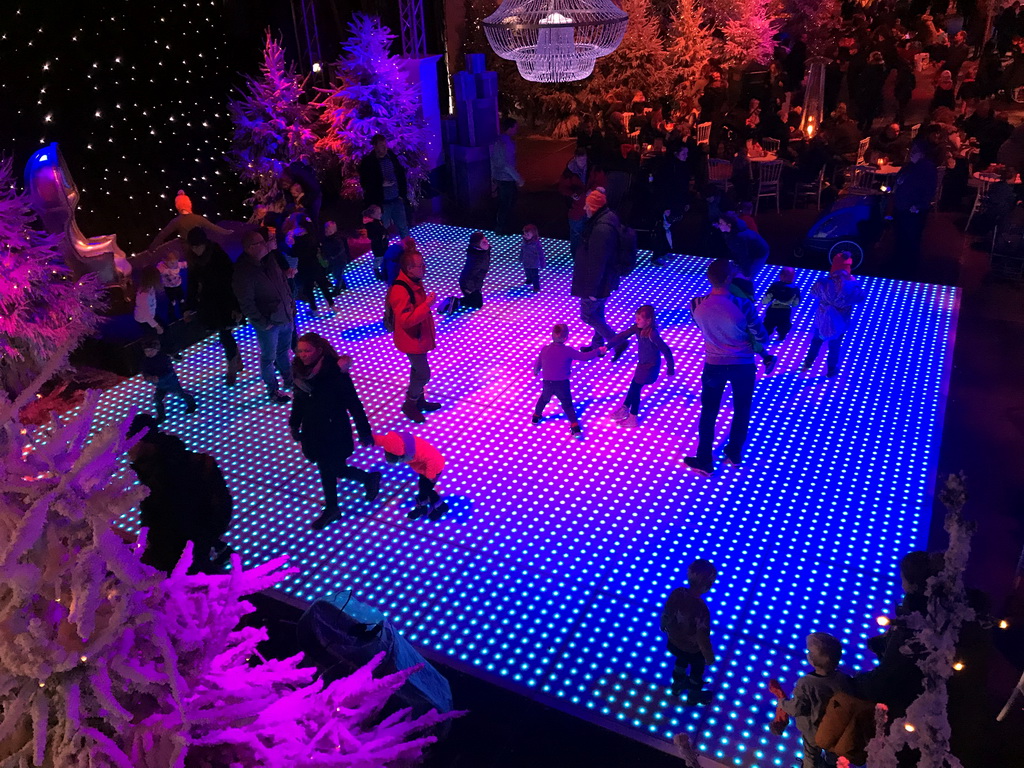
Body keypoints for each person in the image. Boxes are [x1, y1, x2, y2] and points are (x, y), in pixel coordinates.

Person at [289, 334, 382, 530]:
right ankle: (367, 479)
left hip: (334, 430)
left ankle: (333, 507)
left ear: (319, 351)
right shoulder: (299, 372)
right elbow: (299, 401)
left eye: (307, 351)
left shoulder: (335, 372)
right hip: (313, 429)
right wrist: (294, 424)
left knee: (328, 468)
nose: (303, 355)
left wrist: (364, 430)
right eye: (300, 351)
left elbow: (353, 403)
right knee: (332, 468)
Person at [685, 258, 768, 476]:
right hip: (743, 365)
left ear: (709, 278)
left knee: (709, 411)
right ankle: (734, 453)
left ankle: (704, 459)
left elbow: (700, 326)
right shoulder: (743, 305)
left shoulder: (696, 304)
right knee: (742, 410)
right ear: (730, 278)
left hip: (714, 364)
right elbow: (762, 336)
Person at [127, 414, 233, 574]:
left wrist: (203, 538)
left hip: (182, 554)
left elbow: (220, 507)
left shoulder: (164, 471)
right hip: (181, 546)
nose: (126, 449)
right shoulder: (150, 468)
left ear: (141, 441)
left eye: (129, 442)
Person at [768, 633, 853, 768]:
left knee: (811, 754)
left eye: (809, 651)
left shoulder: (806, 683)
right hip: (835, 729)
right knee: (833, 754)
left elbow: (796, 708)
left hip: (812, 730)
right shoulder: (843, 679)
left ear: (812, 659)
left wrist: (782, 702)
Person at [232, 229, 295, 404]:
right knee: (269, 358)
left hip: (285, 316)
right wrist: (262, 322)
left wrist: (291, 305)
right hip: (270, 323)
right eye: (261, 242)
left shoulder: (269, 260)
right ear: (251, 247)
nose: (266, 244)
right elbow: (246, 302)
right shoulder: (244, 272)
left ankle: (290, 381)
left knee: (284, 351)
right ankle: (273, 390)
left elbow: (282, 281)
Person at [571, 189, 627, 359]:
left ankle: (618, 342)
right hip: (605, 280)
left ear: (593, 208)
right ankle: (598, 346)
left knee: (587, 315)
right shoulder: (608, 219)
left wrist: (592, 290)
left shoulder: (601, 229)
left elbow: (598, 262)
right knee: (598, 314)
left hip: (597, 283)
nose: (585, 209)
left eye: (587, 206)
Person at [387, 250, 441, 423]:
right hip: (411, 339)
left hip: (418, 337)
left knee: (417, 370)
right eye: (421, 265)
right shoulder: (401, 289)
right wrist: (427, 305)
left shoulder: (413, 282)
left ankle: (419, 401)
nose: (424, 268)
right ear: (409, 268)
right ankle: (410, 404)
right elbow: (406, 320)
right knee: (424, 373)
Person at [184, 227, 242, 386]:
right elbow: (193, 283)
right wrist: (189, 306)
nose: (195, 249)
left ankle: (232, 366)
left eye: (197, 245)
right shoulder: (195, 260)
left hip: (225, 300)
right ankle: (236, 359)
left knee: (225, 334)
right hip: (210, 302)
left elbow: (231, 281)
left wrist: (236, 306)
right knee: (224, 333)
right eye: (193, 246)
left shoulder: (218, 255)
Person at [660, 559, 718, 705]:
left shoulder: (678, 593)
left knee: (681, 660)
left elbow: (667, 612)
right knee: (697, 670)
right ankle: (693, 694)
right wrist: (709, 656)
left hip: (674, 641)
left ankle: (677, 685)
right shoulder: (701, 610)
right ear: (708, 585)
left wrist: (663, 625)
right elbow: (702, 637)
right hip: (693, 649)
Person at [607, 305, 675, 428]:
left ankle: (633, 417)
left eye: (639, 319)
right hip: (642, 364)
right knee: (634, 386)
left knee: (636, 388)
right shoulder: (638, 329)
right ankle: (625, 408)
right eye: (636, 318)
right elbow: (622, 335)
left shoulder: (652, 334)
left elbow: (666, 350)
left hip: (650, 366)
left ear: (648, 321)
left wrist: (670, 369)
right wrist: (607, 346)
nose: (636, 321)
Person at [532, 322, 605, 437]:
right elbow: (584, 357)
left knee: (544, 398)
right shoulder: (568, 351)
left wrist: (536, 371)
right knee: (567, 404)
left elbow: (539, 362)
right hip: (562, 383)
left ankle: (536, 416)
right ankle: (574, 425)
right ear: (566, 337)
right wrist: (597, 351)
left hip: (548, 382)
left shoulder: (545, 349)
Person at [802, 253, 866, 379]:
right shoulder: (850, 287)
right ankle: (831, 370)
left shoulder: (823, 283)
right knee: (834, 346)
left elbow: (813, 292)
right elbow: (861, 297)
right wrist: (854, 282)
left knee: (816, 341)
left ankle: (808, 363)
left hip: (822, 320)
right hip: (839, 323)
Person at [373, 430, 447, 520]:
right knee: (423, 487)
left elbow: (433, 460)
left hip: (435, 468)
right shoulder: (392, 443)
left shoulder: (418, 452)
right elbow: (380, 440)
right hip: (423, 468)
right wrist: (368, 439)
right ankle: (423, 505)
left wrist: (430, 476)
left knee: (426, 488)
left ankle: (440, 506)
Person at [891, 142, 937, 278]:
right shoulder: (910, 166)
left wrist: (918, 205)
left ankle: (908, 268)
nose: (911, 153)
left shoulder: (927, 168)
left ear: (922, 153)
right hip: (902, 207)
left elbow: (929, 189)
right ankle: (899, 264)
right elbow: (900, 179)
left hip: (912, 210)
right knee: (900, 236)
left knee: (911, 238)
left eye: (914, 151)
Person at [558, 147, 606, 258]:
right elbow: (562, 187)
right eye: (580, 160)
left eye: (584, 160)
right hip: (577, 208)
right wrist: (572, 194)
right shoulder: (569, 172)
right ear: (575, 159)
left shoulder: (594, 169)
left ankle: (590, 256)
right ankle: (577, 257)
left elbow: (601, 182)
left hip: (592, 207)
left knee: (592, 232)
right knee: (576, 234)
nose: (582, 163)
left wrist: (592, 190)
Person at [359, 135, 410, 237]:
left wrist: (402, 194)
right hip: (382, 203)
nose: (384, 147)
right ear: (375, 146)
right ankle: (383, 251)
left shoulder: (391, 156)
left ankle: (408, 250)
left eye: (385, 144)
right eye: (381, 145)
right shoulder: (368, 162)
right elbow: (365, 182)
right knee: (382, 230)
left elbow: (400, 174)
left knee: (403, 227)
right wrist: (380, 184)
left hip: (396, 199)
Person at [148, 189, 231, 251]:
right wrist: (227, 232)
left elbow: (162, 234)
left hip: (189, 249)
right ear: (189, 204)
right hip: (199, 247)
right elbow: (213, 227)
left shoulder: (177, 221)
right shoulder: (198, 218)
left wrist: (152, 248)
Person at [286, 213, 335, 318]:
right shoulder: (312, 233)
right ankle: (332, 305)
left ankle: (314, 309)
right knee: (323, 285)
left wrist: (290, 244)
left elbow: (294, 253)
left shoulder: (296, 237)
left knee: (309, 288)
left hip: (304, 266)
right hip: (315, 264)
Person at [140, 338, 197, 422]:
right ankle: (161, 416)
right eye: (147, 351)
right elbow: (145, 372)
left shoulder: (164, 358)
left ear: (156, 349)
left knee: (181, 394)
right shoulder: (145, 361)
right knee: (157, 400)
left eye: (151, 350)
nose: (149, 353)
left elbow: (169, 372)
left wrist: (158, 378)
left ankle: (192, 404)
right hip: (160, 385)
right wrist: (148, 377)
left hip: (171, 383)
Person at [490, 117, 525, 234]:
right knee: (507, 205)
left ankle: (503, 229)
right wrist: (518, 178)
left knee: (504, 205)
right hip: (506, 179)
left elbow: (495, 162)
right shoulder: (506, 143)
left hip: (502, 178)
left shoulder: (499, 141)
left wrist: (493, 178)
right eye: (515, 127)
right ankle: (503, 230)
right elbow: (505, 164)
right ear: (510, 128)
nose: (517, 129)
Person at [715, 212, 770, 279]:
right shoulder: (735, 230)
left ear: (729, 225)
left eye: (721, 223)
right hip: (751, 249)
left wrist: (746, 273)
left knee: (750, 274)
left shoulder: (739, 238)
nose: (719, 225)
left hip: (760, 253)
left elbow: (743, 256)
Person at [760, 266, 801, 342]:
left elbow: (767, 299)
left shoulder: (775, 285)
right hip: (785, 311)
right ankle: (780, 337)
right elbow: (796, 303)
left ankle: (765, 338)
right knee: (783, 325)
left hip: (774, 309)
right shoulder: (795, 289)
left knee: (769, 324)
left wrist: (764, 301)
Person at [459, 231, 492, 310]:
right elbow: (468, 275)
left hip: (476, 282)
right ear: (477, 245)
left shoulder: (483, 251)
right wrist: (471, 289)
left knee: (477, 303)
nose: (487, 242)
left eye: (486, 239)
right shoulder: (475, 260)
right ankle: (455, 302)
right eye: (483, 242)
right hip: (468, 285)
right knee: (476, 304)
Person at [321, 219, 350, 294]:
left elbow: (340, 250)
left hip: (340, 260)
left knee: (338, 274)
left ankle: (337, 289)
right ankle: (342, 285)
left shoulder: (337, 239)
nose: (327, 233)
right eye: (326, 231)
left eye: (329, 231)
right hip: (334, 260)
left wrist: (333, 256)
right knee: (337, 274)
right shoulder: (327, 239)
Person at [363, 205, 390, 281]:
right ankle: (377, 271)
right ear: (373, 215)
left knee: (384, 258)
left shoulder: (378, 222)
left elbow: (382, 230)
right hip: (378, 246)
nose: (381, 214)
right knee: (379, 259)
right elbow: (372, 236)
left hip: (383, 244)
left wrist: (385, 235)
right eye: (379, 213)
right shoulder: (371, 225)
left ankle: (384, 272)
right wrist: (381, 237)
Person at [157, 250, 185, 322]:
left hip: (178, 284)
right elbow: (157, 271)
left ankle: (182, 305)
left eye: (176, 262)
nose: (175, 264)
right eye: (172, 263)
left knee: (181, 296)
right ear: (165, 261)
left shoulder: (177, 264)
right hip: (168, 287)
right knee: (171, 299)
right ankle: (172, 312)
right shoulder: (162, 267)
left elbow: (184, 264)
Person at [519, 224, 547, 293]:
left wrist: (542, 263)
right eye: (525, 234)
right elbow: (522, 250)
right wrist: (521, 258)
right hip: (526, 261)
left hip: (534, 263)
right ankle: (529, 279)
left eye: (528, 235)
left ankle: (536, 287)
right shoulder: (524, 242)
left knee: (535, 275)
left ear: (533, 235)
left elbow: (541, 254)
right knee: (527, 272)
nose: (526, 236)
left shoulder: (536, 244)